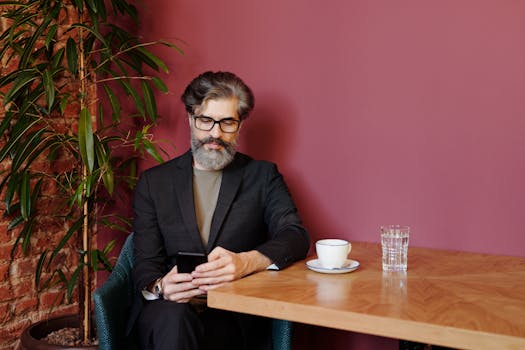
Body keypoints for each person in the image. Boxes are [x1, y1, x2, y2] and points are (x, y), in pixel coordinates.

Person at [129, 71, 310, 350]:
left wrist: (245, 262)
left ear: (239, 125)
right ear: (191, 119)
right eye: (206, 121)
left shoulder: (263, 176)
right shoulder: (154, 184)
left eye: (227, 122)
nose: (215, 133)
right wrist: (161, 286)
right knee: (173, 320)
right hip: (169, 314)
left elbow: (295, 235)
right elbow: (145, 267)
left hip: (232, 318)